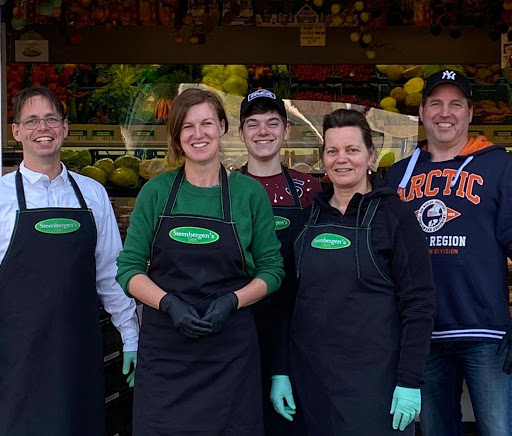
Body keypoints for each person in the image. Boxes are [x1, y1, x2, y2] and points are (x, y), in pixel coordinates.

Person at [116, 87, 284, 436]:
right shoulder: (156, 192)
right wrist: (168, 304)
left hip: (229, 352)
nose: (198, 134)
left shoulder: (248, 193)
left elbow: (272, 270)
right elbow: (128, 269)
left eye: (207, 123)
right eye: (188, 126)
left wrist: (231, 302)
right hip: (167, 353)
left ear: (222, 127)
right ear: (177, 135)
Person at [271, 108, 436, 435]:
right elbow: (285, 304)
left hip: (376, 388)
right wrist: (280, 372)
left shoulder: (395, 218)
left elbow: (419, 303)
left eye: (352, 150)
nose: (341, 159)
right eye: (332, 151)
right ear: (323, 158)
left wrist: (410, 380)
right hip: (311, 386)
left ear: (370, 155)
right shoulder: (307, 222)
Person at [0, 86, 139, 436]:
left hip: (76, 353)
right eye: (31, 120)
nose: (42, 128)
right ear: (16, 131)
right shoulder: (1, 197)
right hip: (14, 356)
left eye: (50, 119)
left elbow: (111, 272)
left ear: (64, 128)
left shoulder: (91, 193)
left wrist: (131, 334)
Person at [385, 69, 512, 436]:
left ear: (470, 113)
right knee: (436, 431)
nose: (445, 112)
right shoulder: (396, 176)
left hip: (485, 332)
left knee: (498, 430)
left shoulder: (499, 166)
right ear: (422, 112)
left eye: (456, 104)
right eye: (436, 103)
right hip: (421, 335)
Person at [238, 89, 322, 434]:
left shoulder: (311, 189)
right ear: (241, 133)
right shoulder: (226, 188)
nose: (263, 131)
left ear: (286, 130)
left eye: (272, 123)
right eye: (253, 123)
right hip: (242, 325)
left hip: (298, 326)